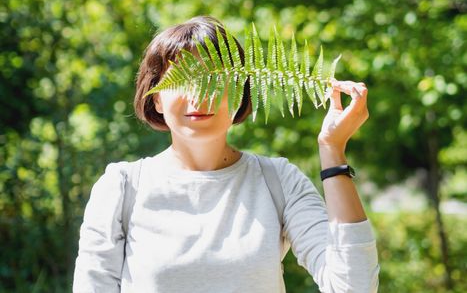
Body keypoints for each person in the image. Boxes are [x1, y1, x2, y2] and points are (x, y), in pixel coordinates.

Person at [73, 16, 379, 292]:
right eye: (182, 78)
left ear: (239, 93)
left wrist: (332, 150)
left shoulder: (279, 181)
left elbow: (353, 287)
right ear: (156, 100)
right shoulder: (122, 187)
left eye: (213, 79)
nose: (198, 94)